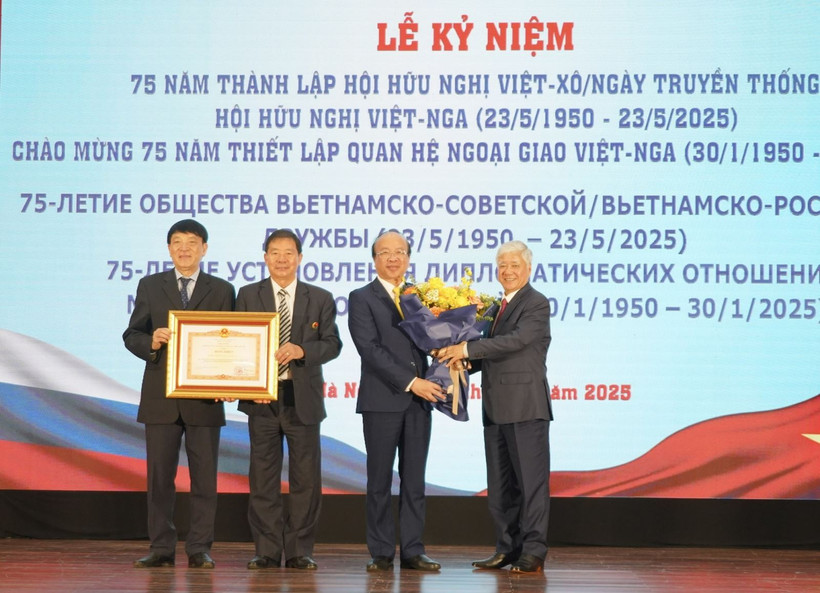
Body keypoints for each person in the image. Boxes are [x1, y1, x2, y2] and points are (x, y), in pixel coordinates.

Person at [123, 218, 236, 569]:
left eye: (191, 242)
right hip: (161, 397)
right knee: (159, 479)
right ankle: (161, 546)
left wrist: (230, 382)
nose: (184, 248)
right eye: (176, 242)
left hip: (205, 397)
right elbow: (131, 334)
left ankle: (200, 547)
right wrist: (151, 341)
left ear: (204, 248)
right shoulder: (150, 285)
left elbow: (232, 341)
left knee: (204, 478)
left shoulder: (221, 289)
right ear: (169, 248)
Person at [436, 240, 552, 574]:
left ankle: (533, 551)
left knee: (531, 485)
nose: (507, 271)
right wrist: (452, 359)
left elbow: (515, 341)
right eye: (502, 265)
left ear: (528, 268)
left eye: (514, 265)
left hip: (526, 408)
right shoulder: (495, 308)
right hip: (496, 409)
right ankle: (506, 548)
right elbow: (491, 354)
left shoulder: (536, 303)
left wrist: (466, 350)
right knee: (501, 488)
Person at [235, 229, 342, 570]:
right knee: (262, 477)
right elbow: (236, 341)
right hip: (261, 399)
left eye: (289, 252)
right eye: (275, 252)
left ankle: (299, 550)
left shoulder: (321, 298)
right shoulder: (247, 295)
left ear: (299, 258)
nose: (282, 258)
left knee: (305, 480)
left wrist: (301, 350)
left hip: (302, 399)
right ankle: (266, 549)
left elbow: (332, 344)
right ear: (265, 257)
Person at [348, 230, 446, 572]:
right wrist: (411, 382)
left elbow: (432, 342)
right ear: (374, 259)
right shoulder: (361, 297)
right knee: (378, 481)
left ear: (408, 257)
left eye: (400, 252)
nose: (393, 258)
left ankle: (413, 550)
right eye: (385, 252)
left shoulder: (422, 297)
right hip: (382, 400)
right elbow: (369, 349)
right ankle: (380, 551)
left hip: (420, 402)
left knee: (415, 479)